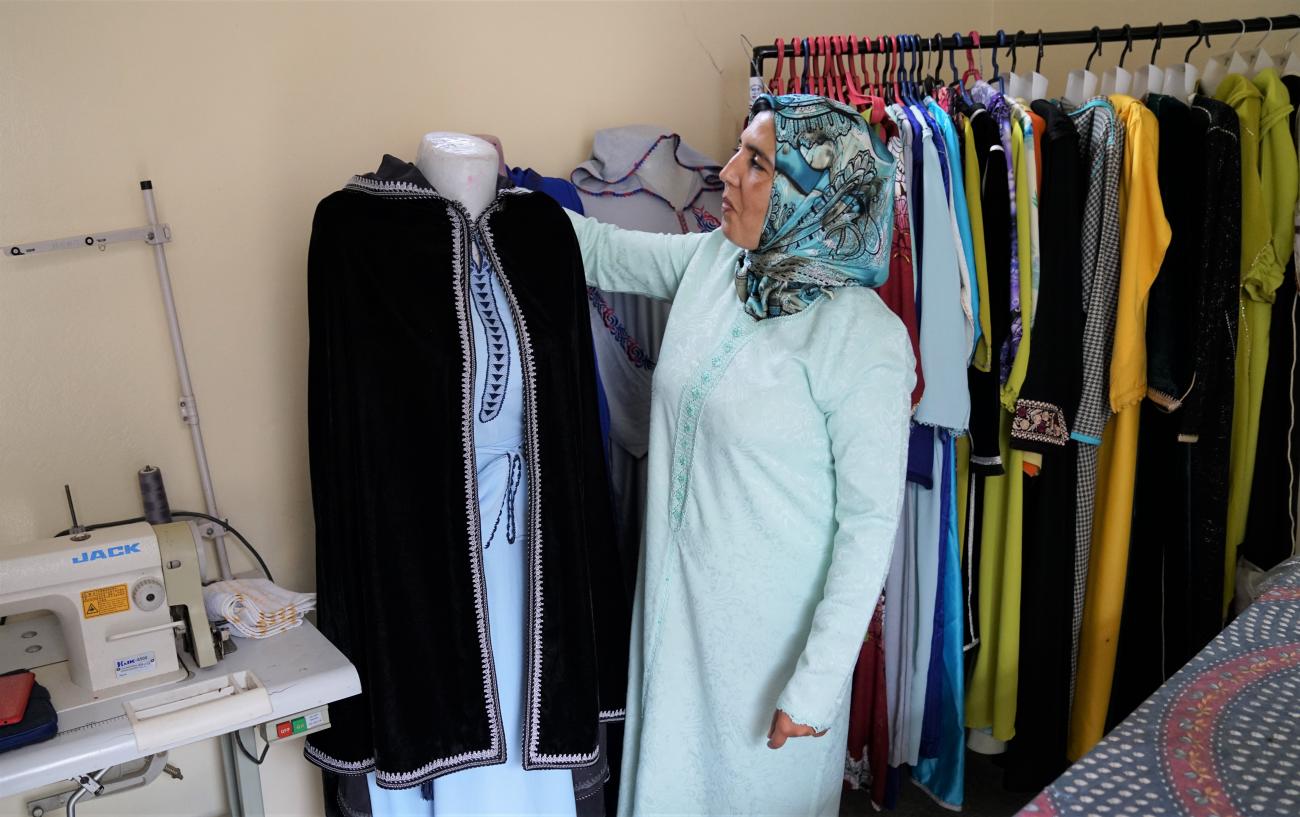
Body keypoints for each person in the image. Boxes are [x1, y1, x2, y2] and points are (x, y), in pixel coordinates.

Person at [566, 94, 912, 816]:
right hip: (674, 621)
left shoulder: (863, 342)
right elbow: (596, 251)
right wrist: (482, 212)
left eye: (757, 162)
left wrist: (815, 685)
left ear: (813, 193)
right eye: (739, 152)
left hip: (768, 659)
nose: (726, 173)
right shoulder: (719, 263)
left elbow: (869, 528)